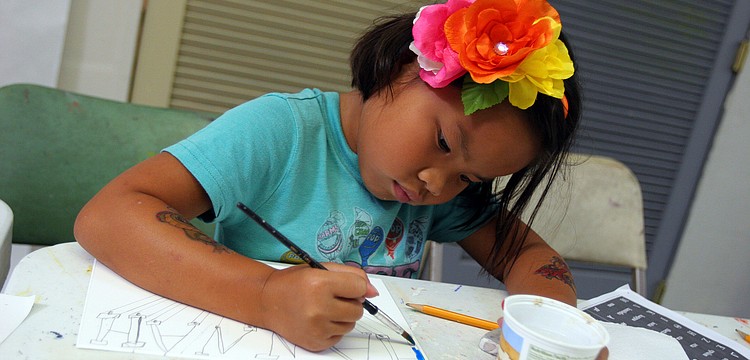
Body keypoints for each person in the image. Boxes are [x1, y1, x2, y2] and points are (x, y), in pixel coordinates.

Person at [75, 0, 582, 353]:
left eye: (469, 179)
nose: (437, 184)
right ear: (398, 68)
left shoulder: (437, 190)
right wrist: (266, 297)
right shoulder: (280, 132)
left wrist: (547, 324)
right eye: (444, 143)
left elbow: (534, 257)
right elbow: (110, 215)